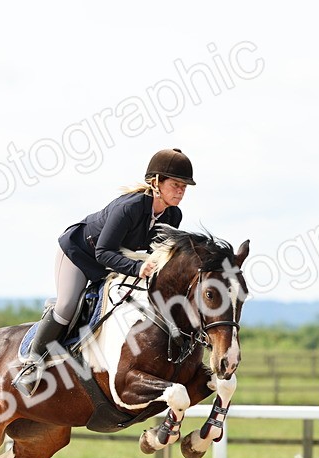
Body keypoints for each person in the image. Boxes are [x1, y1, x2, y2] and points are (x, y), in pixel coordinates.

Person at [11, 147, 196, 394]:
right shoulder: (129, 207)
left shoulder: (173, 215)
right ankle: (33, 362)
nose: (181, 191)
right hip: (79, 253)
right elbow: (103, 252)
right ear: (156, 182)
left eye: (184, 186)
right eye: (176, 184)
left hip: (114, 262)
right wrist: (138, 267)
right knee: (67, 306)